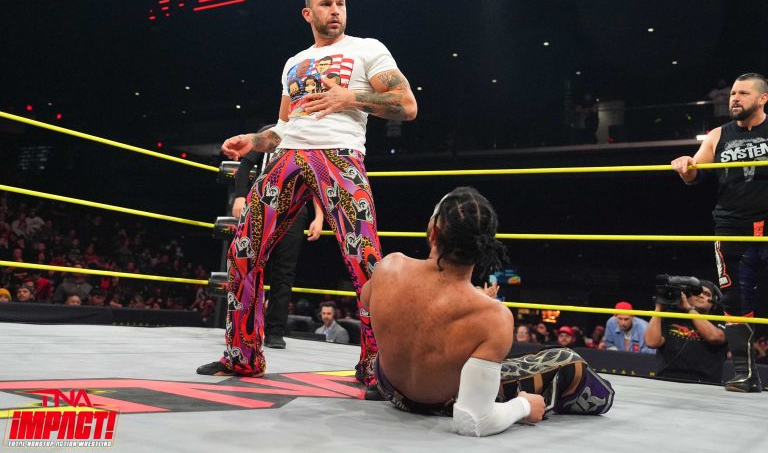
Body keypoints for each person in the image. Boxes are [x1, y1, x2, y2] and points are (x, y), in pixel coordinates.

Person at [197, 0, 417, 386]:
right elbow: (283, 127)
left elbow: (406, 105)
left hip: (340, 156)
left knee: (365, 260)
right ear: (308, 13)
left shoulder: (368, 49)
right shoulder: (293, 63)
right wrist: (254, 141)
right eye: (326, 4)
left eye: (340, 3)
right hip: (287, 156)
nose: (336, 11)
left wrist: (351, 97)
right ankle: (242, 356)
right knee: (243, 249)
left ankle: (377, 367)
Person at [361, 187, 614, 437]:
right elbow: (473, 421)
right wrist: (524, 406)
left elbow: (367, 302)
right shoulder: (492, 316)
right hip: (442, 402)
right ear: (484, 247)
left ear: (434, 233)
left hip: (388, 385)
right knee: (569, 361)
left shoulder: (390, 267)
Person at [671, 72, 768, 393]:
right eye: (733, 94)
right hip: (731, 226)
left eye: (743, 93)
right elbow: (694, 173)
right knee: (734, 298)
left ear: (763, 99)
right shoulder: (717, 135)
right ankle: (745, 374)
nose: (734, 98)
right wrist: (685, 165)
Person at [231, 124, 324, 349]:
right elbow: (245, 166)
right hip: (262, 203)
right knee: (249, 264)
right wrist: (240, 197)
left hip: (295, 208)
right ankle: (245, 327)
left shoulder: (310, 135)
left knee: (284, 270)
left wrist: (319, 216)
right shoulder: (270, 131)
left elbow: (315, 180)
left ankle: (274, 332)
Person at [644, 280, 727, 384]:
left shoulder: (720, 320)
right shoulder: (671, 316)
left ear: (713, 302)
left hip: (705, 383)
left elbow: (715, 337)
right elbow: (651, 342)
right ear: (688, 297)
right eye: (697, 292)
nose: (701, 295)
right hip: (666, 381)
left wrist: (689, 308)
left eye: (707, 294)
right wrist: (658, 309)